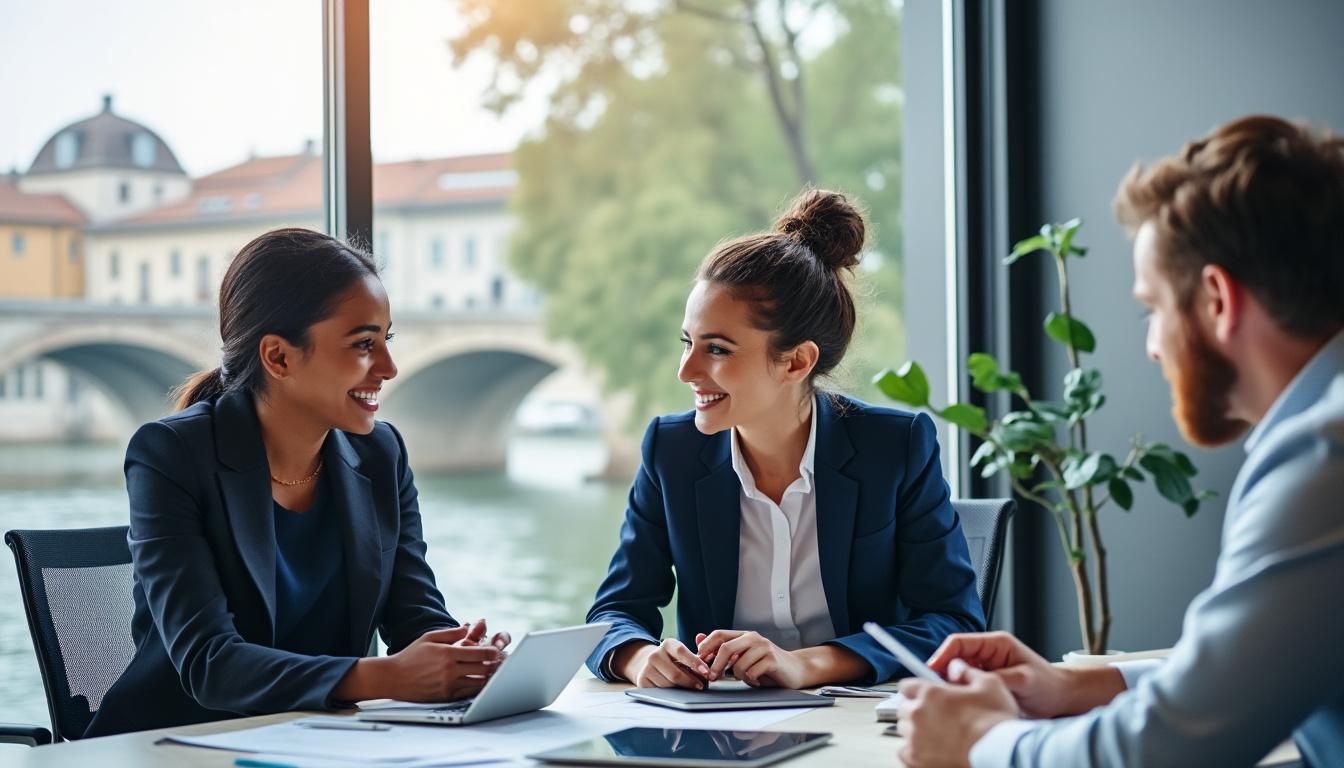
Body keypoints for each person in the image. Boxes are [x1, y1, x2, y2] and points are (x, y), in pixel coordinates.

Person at [894, 115, 1344, 767]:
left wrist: (981, 743)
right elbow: (1269, 658)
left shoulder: (1323, 456)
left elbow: (1160, 751)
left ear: (1217, 299)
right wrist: (1083, 684)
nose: (1154, 348)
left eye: (1153, 308)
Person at [86, 228, 510, 737]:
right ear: (279, 357)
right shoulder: (171, 455)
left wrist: (460, 656)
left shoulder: (381, 453)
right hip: (179, 745)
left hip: (321, 740)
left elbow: (413, 614)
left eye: (386, 340)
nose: (390, 368)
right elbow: (210, 664)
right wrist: (385, 676)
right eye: (363, 344)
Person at [585, 189, 985, 691]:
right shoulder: (672, 452)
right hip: (718, 731)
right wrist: (639, 658)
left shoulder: (895, 448)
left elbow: (953, 623)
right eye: (687, 342)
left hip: (855, 724)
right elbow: (613, 611)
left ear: (796, 362)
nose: (686, 370)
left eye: (718, 349)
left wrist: (808, 664)